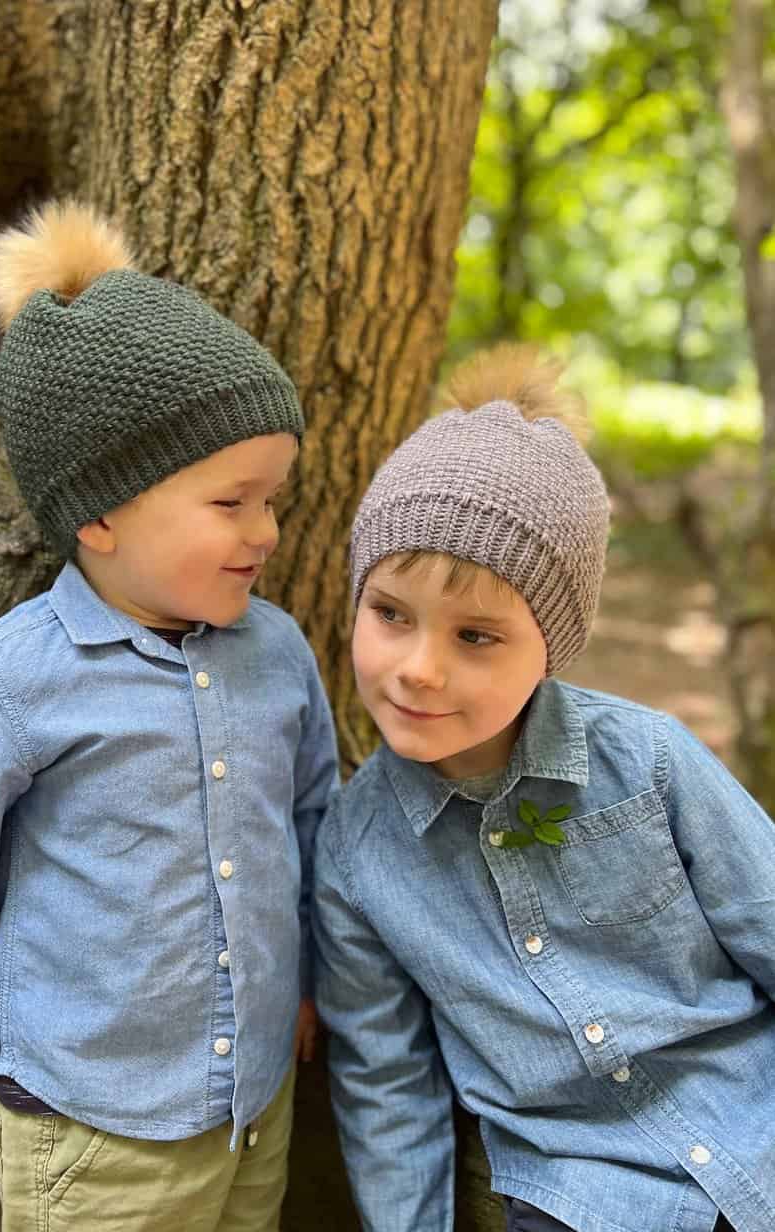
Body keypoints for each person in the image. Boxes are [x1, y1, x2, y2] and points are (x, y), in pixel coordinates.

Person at [0, 199, 338, 1232]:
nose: (265, 530)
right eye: (231, 502)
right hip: (90, 1131)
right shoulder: (7, 679)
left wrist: (303, 982)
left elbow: (314, 822)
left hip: (252, 1108)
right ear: (98, 510)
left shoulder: (278, 650)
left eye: (274, 498)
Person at [312, 344, 773, 1232]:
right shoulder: (357, 851)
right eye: (391, 615)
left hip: (754, 1121)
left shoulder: (648, 762)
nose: (418, 670)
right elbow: (386, 1085)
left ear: (551, 645)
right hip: (581, 1192)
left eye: (476, 637)